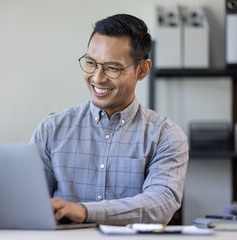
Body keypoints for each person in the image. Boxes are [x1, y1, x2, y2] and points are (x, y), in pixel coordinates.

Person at [30, 13, 189, 225]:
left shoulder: (166, 136)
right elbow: (29, 202)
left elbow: (160, 205)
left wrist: (84, 211)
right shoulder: (51, 130)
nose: (97, 78)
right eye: (91, 63)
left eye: (112, 68)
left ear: (142, 70)